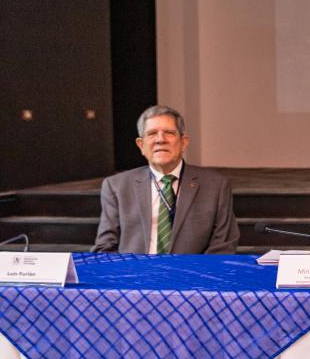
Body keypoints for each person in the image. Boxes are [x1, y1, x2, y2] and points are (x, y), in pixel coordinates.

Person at [93, 105, 240, 254]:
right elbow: (105, 246)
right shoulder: (117, 186)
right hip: (135, 274)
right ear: (141, 145)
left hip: (191, 275)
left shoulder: (215, 186)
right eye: (152, 133)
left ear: (184, 142)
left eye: (169, 133)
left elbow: (223, 246)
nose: (160, 140)